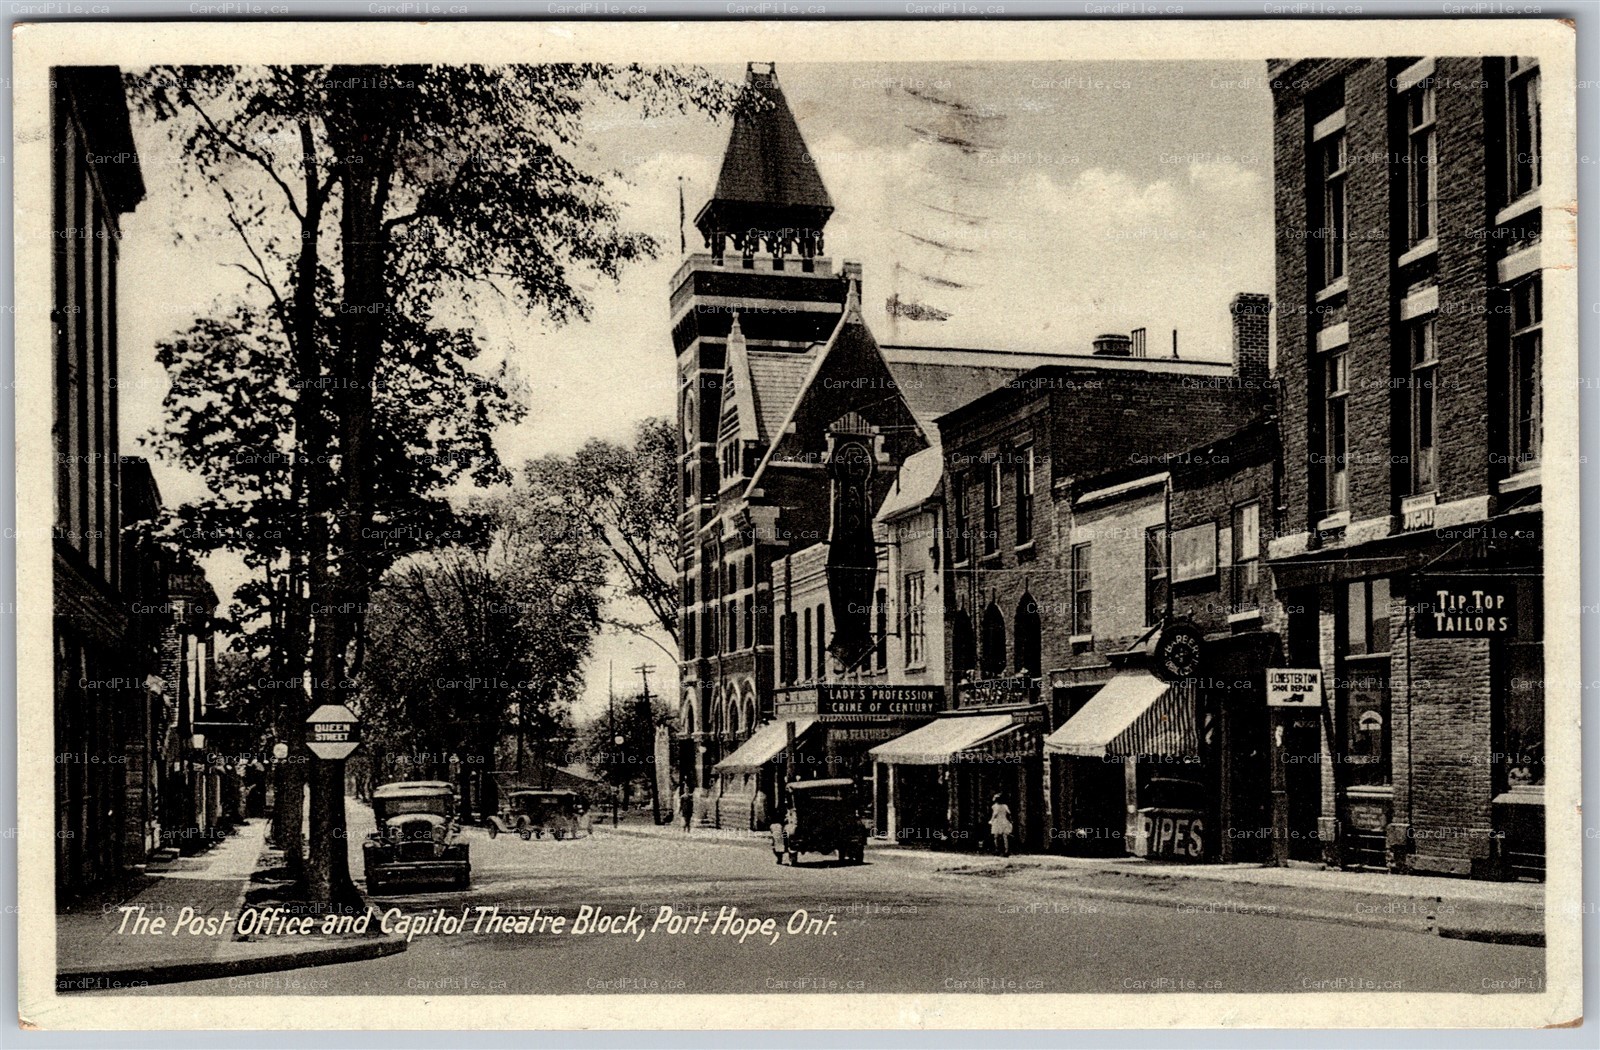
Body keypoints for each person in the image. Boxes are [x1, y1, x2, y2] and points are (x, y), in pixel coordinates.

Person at [988, 793, 1014, 858]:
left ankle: (1001, 850)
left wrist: (991, 820)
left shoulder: (998, 806)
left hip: (999, 821)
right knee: (1001, 836)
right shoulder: (1003, 806)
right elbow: (1009, 814)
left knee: (998, 836)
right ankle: (1003, 850)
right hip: (1003, 821)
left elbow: (994, 815)